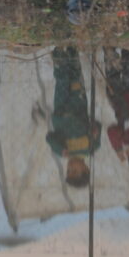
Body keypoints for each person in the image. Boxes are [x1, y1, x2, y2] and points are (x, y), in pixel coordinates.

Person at [45, 46, 101, 189]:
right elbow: (97, 126)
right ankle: (72, 49)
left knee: (62, 81)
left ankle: (59, 53)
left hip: (61, 109)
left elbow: (49, 137)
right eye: (74, 171)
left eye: (68, 171)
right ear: (86, 169)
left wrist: (60, 149)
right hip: (78, 105)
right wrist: (95, 130)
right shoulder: (92, 148)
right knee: (76, 78)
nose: (70, 168)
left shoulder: (63, 152)